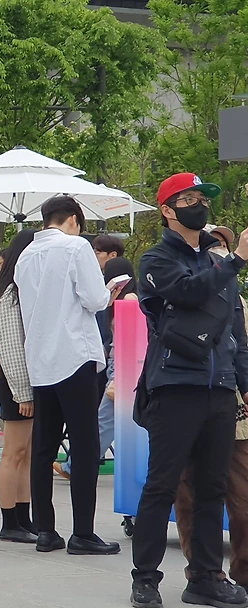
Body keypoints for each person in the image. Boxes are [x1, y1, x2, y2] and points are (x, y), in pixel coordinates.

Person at [130, 174, 248, 608]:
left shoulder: (217, 264)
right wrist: (235, 260)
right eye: (188, 199)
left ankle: (205, 577)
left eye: (202, 198)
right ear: (167, 210)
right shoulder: (157, 259)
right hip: (175, 386)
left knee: (212, 488)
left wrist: (244, 383)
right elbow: (188, 293)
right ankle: (145, 578)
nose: (199, 205)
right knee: (162, 486)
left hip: (220, 389)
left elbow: (235, 332)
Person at [14, 194, 121, 556]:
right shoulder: (76, 247)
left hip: (40, 359)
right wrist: (109, 291)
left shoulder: (26, 255)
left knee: (43, 447)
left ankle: (45, 530)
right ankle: (83, 532)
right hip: (74, 356)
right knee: (86, 444)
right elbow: (93, 300)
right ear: (74, 219)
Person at [174, 224, 248, 595]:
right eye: (209, 243)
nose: (216, 249)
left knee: (242, 494)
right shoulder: (175, 287)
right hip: (185, 402)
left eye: (221, 243)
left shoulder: (236, 296)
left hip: (233, 410)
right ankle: (202, 574)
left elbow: (242, 346)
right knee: (189, 494)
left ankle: (243, 573)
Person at [59, 256, 136, 481]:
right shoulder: (120, 299)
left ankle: (76, 466)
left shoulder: (129, 299)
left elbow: (127, 338)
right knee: (109, 420)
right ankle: (76, 465)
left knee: (104, 420)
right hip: (119, 362)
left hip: (122, 364)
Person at [0, 228, 39, 543]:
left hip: (25, 383)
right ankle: (10, 521)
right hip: (17, 383)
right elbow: (11, 350)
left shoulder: (19, 292)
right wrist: (24, 393)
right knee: (14, 452)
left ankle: (23, 517)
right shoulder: (9, 297)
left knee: (26, 453)